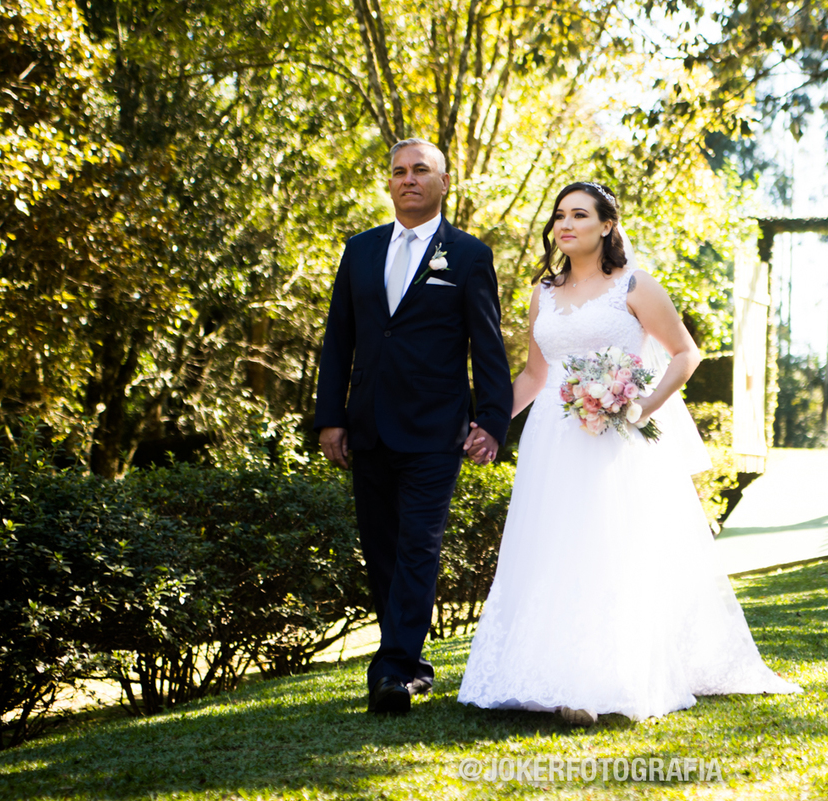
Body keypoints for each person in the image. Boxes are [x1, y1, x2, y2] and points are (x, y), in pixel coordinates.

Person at [457, 181, 801, 724]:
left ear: (607, 225)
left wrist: (642, 405)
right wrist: (491, 424)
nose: (565, 224)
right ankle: (545, 673)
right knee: (552, 547)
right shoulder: (542, 291)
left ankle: (602, 682)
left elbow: (685, 352)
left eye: (579, 215)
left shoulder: (634, 285)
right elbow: (535, 373)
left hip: (615, 435)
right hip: (552, 435)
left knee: (608, 546)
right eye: (559, 216)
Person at [315, 138, 512, 715]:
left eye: (420, 170)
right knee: (380, 549)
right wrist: (330, 418)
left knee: (418, 544)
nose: (408, 179)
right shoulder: (359, 251)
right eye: (399, 171)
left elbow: (488, 346)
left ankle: (393, 670)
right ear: (390, 183)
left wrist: (493, 421)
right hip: (367, 426)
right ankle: (413, 664)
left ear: (444, 182)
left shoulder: (469, 256)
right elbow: (339, 342)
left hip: (435, 430)